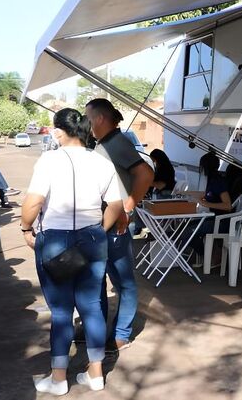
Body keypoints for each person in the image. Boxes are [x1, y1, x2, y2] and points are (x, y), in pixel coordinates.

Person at [20, 109, 123, 395]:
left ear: (57, 132)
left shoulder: (50, 160)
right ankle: (95, 374)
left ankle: (58, 379)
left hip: (56, 240)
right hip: (93, 237)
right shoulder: (102, 162)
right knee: (92, 308)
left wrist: (25, 229)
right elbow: (115, 204)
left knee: (62, 313)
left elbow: (33, 203)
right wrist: (98, 230)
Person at [84, 98, 152, 352]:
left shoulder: (116, 143)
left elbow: (145, 174)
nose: (85, 122)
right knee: (97, 281)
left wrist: (128, 205)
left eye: (88, 117)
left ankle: (122, 333)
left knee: (124, 283)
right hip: (101, 224)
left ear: (100, 119)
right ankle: (99, 330)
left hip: (116, 227)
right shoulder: (104, 144)